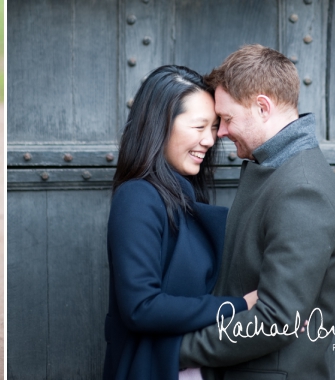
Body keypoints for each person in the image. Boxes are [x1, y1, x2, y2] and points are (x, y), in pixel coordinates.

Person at [178, 45, 335, 380]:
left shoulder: (302, 189)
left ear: (262, 107)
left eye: (226, 119)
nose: (221, 134)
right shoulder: (271, 166)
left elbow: (275, 320)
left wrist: (178, 349)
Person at [104, 65, 257, 380]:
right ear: (160, 126)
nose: (210, 140)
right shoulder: (138, 197)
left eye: (214, 127)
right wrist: (239, 305)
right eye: (199, 126)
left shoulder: (182, 198)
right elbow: (141, 307)